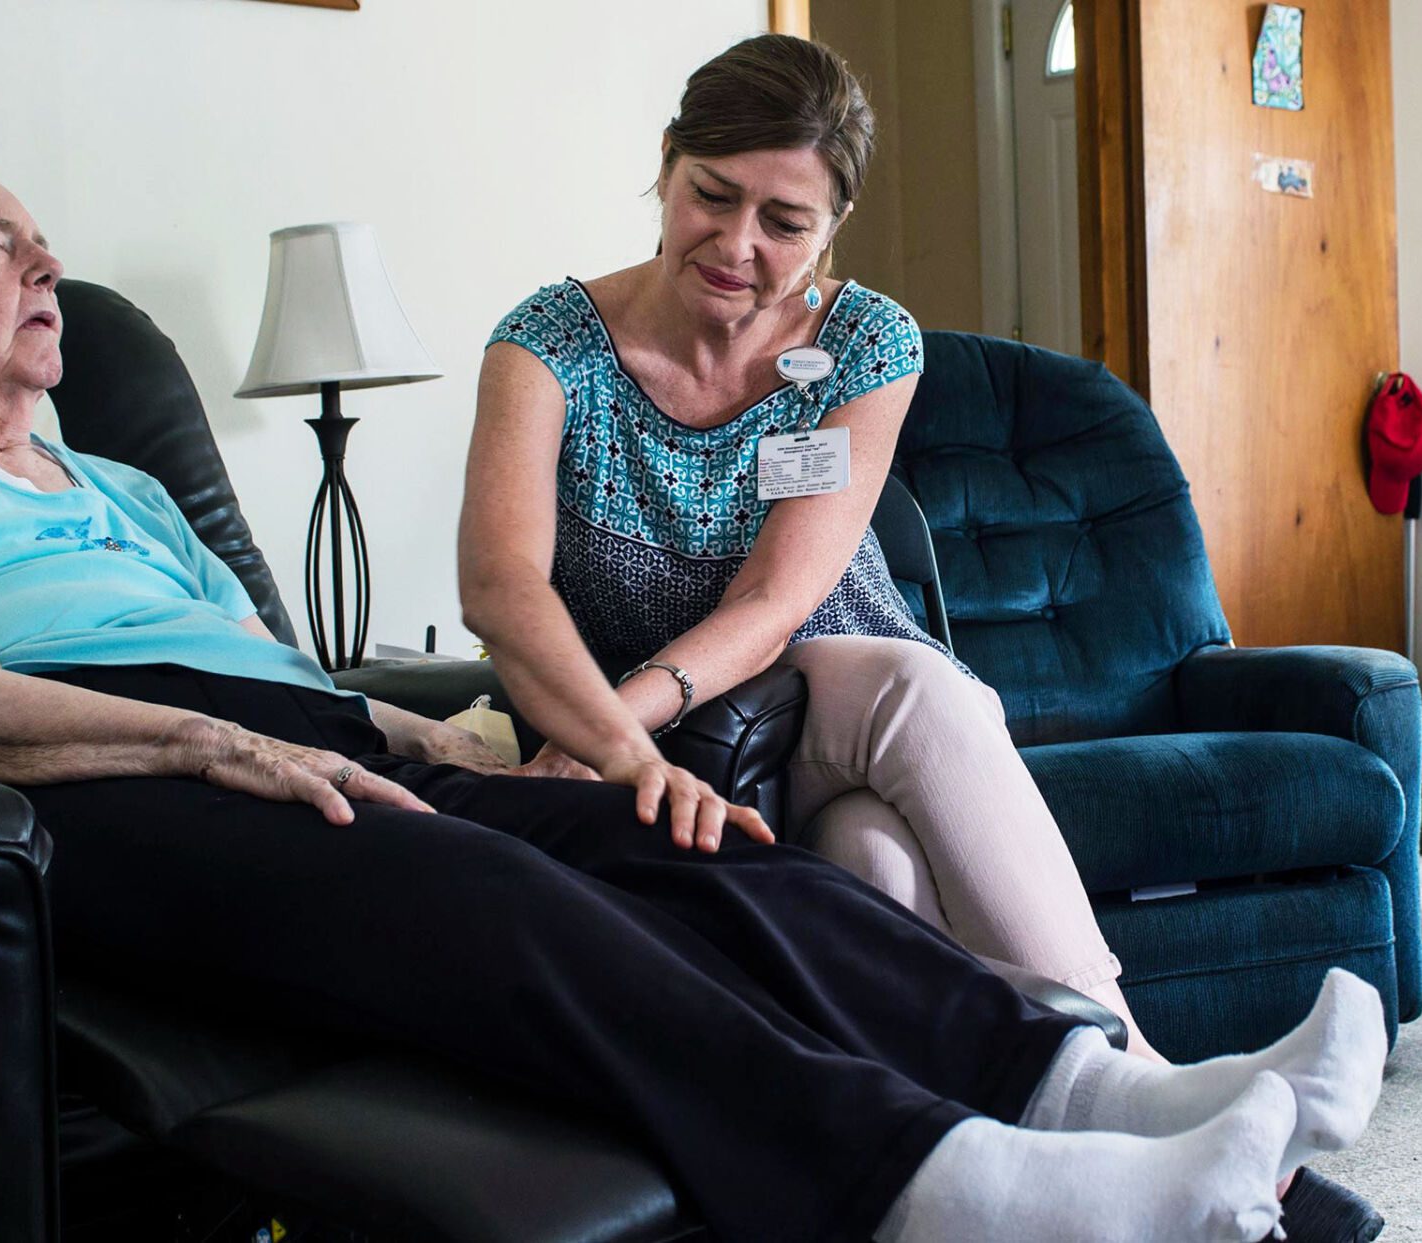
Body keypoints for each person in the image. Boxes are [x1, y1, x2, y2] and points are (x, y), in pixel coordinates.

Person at [0, 156, 1391, 1242]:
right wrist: (206, 739)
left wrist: (473, 741)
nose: (47, 261)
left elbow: (297, 682)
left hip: (292, 741)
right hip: (96, 779)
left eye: (45, 240)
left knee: (689, 842)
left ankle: (1087, 1080)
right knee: (480, 879)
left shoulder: (116, 481)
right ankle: (930, 1180)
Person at [461, 32, 1161, 1062]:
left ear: (831, 227)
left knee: (916, 709)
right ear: (664, 167)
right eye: (711, 194)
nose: (735, 244)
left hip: (825, 700)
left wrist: (605, 732)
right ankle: (1097, 1123)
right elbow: (498, 585)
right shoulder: (547, 347)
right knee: (877, 871)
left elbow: (773, 602)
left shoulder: (862, 344)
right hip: (694, 762)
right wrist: (616, 745)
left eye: (783, 222)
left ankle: (1126, 1076)